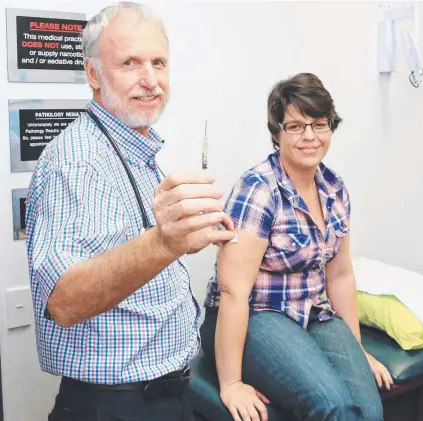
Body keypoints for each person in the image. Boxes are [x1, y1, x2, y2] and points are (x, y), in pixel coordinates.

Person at [25, 3, 235, 420]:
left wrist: (181, 240)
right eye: (130, 63)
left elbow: (127, 251)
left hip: (163, 393)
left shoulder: (132, 147)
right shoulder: (78, 160)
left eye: (159, 62)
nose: (151, 80)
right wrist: (163, 242)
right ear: (92, 75)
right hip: (118, 405)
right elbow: (62, 301)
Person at [200, 73, 394, 421]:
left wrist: (357, 350)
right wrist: (230, 383)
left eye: (319, 124)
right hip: (259, 315)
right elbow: (233, 292)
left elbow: (340, 276)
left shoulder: (334, 189)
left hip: (312, 312)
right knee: (332, 404)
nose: (309, 136)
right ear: (277, 132)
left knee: (370, 410)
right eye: (295, 126)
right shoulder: (258, 189)